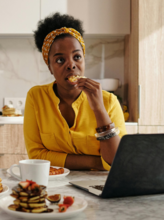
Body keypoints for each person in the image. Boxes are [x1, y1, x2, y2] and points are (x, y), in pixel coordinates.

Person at [23, 13, 126, 171]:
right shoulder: (36, 97)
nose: (71, 65)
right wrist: (96, 163)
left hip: (98, 187)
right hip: (54, 185)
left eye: (77, 57)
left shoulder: (109, 101)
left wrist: (99, 109)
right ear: (50, 67)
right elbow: (36, 156)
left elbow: (117, 161)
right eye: (59, 60)